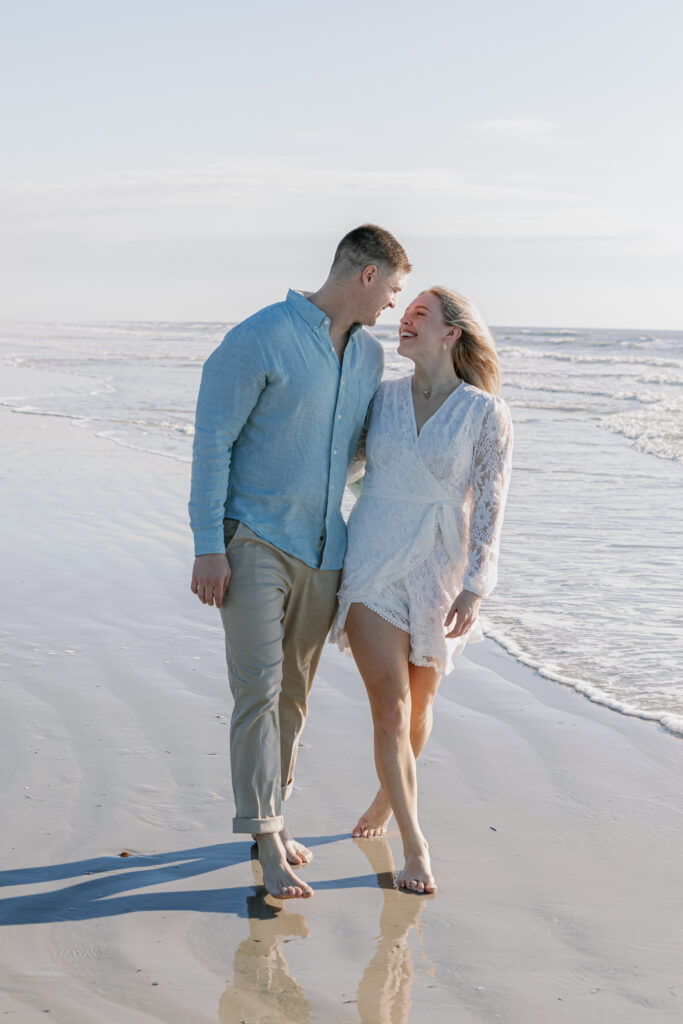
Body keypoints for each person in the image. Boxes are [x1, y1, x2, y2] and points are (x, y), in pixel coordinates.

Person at [189, 225, 411, 899]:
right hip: (252, 539)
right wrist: (207, 544)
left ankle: (273, 817)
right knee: (257, 689)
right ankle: (264, 835)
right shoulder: (259, 336)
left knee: (293, 694)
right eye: (394, 289)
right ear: (366, 276)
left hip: (325, 553)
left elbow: (356, 462)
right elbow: (211, 443)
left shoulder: (369, 360)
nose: (395, 306)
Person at [330, 286, 513, 894]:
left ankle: (386, 798)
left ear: (451, 333)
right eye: (403, 312)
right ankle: (416, 844)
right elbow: (344, 466)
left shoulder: (485, 412)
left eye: (418, 315)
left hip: (440, 567)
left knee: (418, 707)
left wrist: (475, 587)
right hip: (374, 559)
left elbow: (490, 502)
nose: (403, 319)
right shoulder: (379, 400)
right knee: (390, 707)